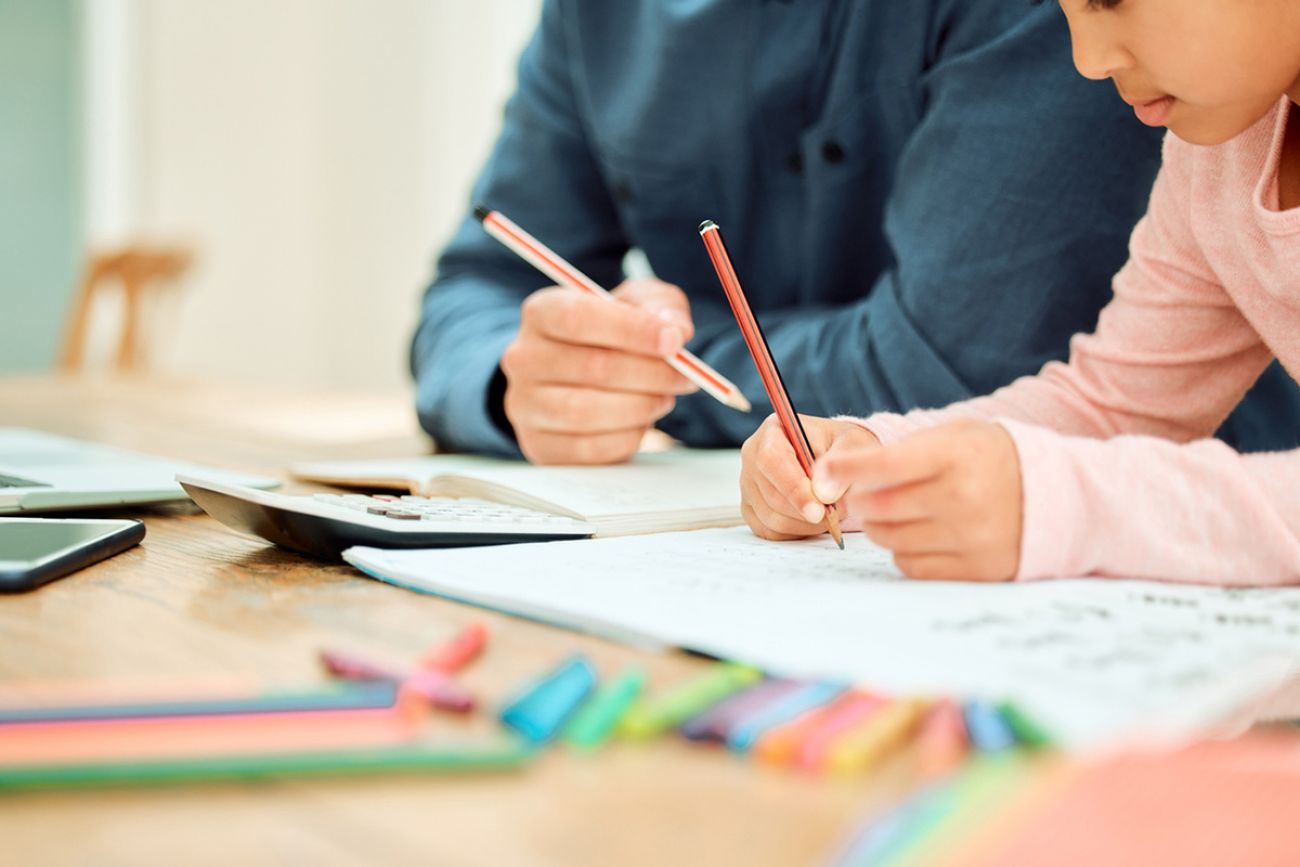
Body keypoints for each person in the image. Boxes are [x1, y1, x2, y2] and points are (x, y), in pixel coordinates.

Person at [739, 0, 1300, 587]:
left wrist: (1072, 506)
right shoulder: (1219, 153)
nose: (1088, 61)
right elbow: (1115, 405)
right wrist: (874, 458)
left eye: (1109, 0)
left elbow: (1084, 474)